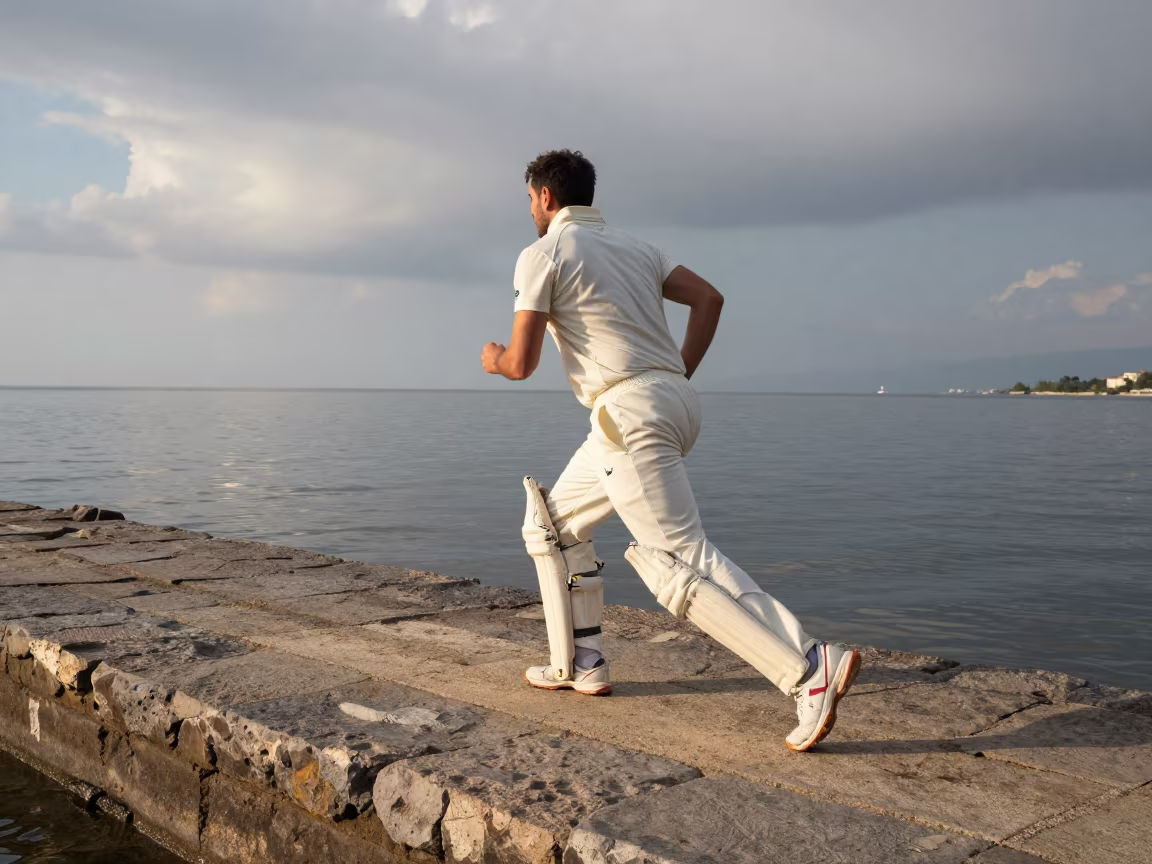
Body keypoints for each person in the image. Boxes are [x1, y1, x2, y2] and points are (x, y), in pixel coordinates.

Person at [481, 149, 860, 751]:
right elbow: (710, 299)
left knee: (678, 562)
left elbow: (521, 364)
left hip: (628, 414)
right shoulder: (638, 248)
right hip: (670, 402)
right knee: (553, 526)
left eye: (529, 199)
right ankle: (579, 663)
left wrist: (493, 358)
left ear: (546, 198)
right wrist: (672, 373)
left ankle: (808, 669)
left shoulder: (544, 252)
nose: (530, 209)